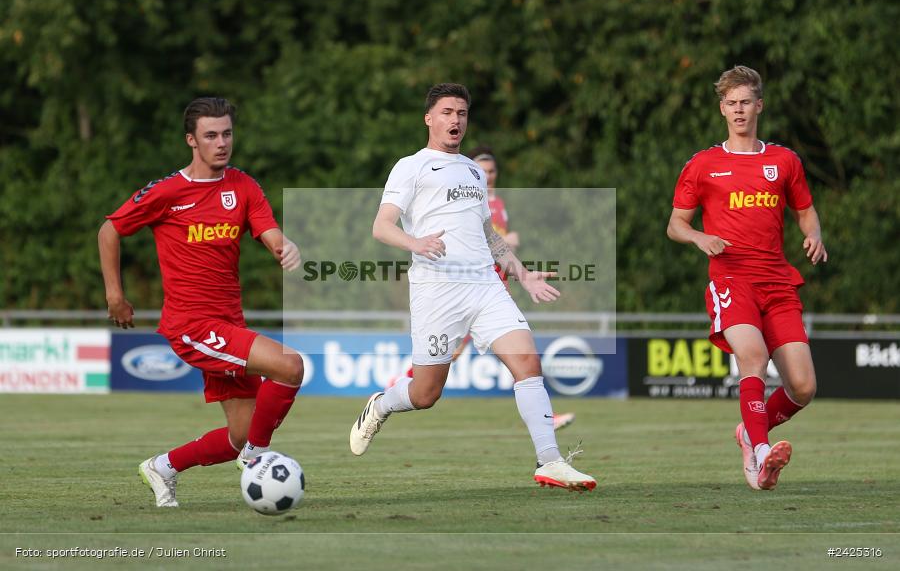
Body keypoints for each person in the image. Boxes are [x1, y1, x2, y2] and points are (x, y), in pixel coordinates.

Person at [349, 83, 595, 491]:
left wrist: (521, 271)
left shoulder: (473, 171)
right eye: (447, 112)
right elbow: (382, 226)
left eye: (461, 113)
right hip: (436, 291)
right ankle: (381, 405)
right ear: (429, 118)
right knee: (426, 392)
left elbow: (489, 234)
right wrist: (416, 243)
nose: (455, 120)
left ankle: (550, 461)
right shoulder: (411, 166)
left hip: (484, 286)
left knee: (528, 363)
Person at [99, 97, 304, 507]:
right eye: (211, 135)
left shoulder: (243, 186)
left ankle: (163, 466)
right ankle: (256, 459)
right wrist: (115, 294)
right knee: (290, 365)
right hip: (192, 324)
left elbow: (269, 232)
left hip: (229, 322)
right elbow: (110, 229)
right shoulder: (168, 192)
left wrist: (285, 247)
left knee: (240, 435)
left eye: (227, 133)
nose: (221, 142)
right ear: (192, 140)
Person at [667, 66, 827, 490]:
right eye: (731, 103)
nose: (739, 110)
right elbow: (676, 224)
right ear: (722, 109)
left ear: (759, 105)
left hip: (777, 282)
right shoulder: (703, 165)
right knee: (752, 357)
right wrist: (700, 238)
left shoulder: (784, 160)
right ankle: (759, 454)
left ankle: (747, 432)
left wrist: (813, 235)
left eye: (745, 102)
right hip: (731, 279)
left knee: (804, 386)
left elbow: (805, 209)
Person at [387, 146, 576, 432]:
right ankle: (396, 387)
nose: (487, 176)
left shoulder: (497, 204)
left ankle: (547, 433)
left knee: (522, 358)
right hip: (450, 290)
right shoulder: (431, 179)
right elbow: (491, 239)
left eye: (491, 172)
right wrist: (509, 239)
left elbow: (490, 240)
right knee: (432, 383)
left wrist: (520, 274)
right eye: (483, 171)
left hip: (491, 285)